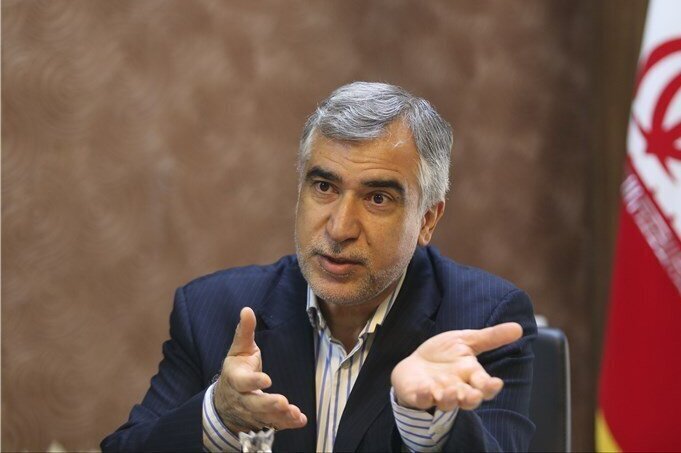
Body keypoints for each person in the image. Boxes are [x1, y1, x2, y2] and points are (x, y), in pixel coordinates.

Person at [101, 82, 536, 452]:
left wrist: (426, 420)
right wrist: (219, 417)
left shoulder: (482, 320)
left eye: (377, 198)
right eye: (324, 186)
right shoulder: (211, 310)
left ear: (427, 220)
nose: (340, 228)